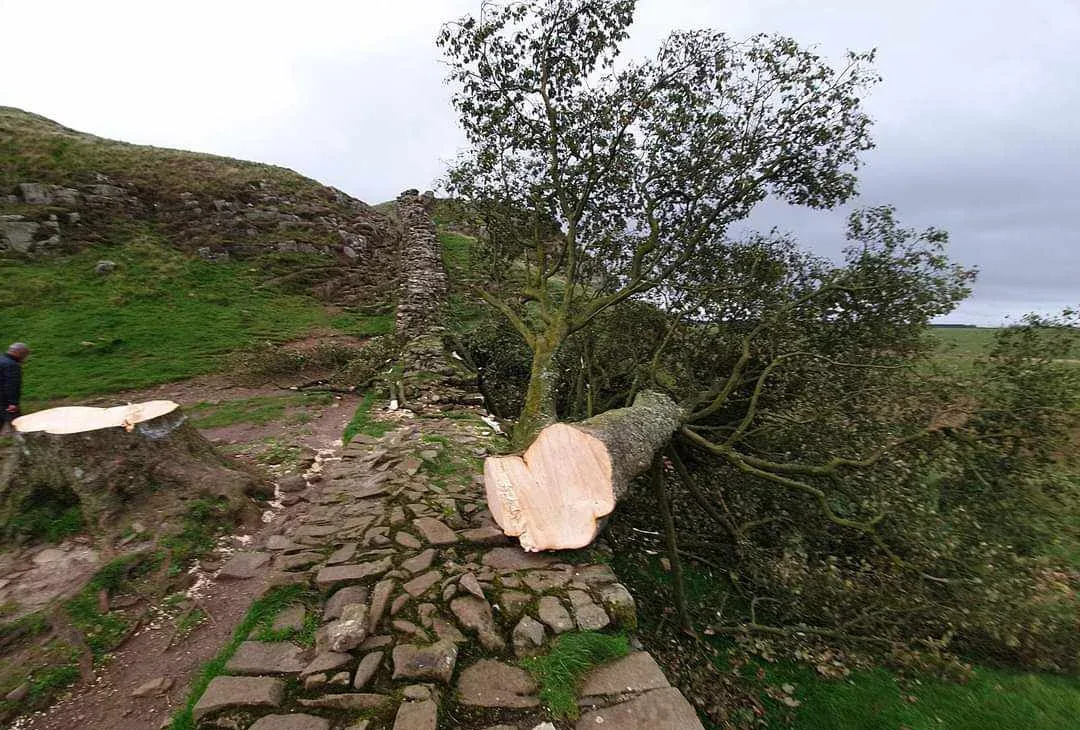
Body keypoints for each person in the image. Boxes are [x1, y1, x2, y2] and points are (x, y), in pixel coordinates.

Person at [0, 343, 29, 433]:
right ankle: (24, 444)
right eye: (24, 355)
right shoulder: (12, 365)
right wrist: (13, 403)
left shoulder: (1, 360)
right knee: (18, 425)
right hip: (5, 402)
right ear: (17, 353)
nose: (24, 358)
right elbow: (12, 385)